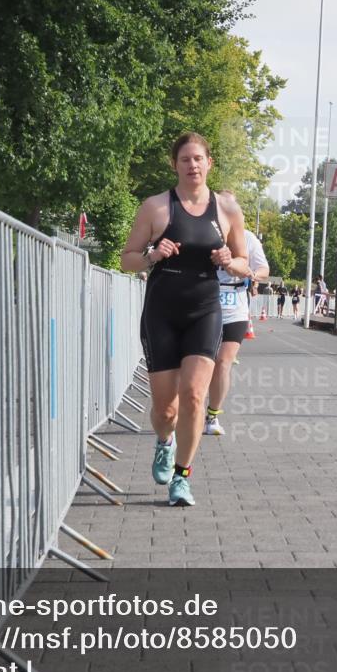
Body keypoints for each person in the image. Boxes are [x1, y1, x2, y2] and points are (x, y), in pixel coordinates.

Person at [120, 132, 250, 506]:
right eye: (185, 159)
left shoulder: (227, 209)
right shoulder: (156, 207)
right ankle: (164, 441)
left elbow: (245, 265)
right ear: (174, 165)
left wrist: (229, 261)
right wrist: (152, 254)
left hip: (206, 310)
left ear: (209, 163)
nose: (192, 165)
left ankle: (182, 477)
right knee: (165, 410)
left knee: (194, 396)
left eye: (198, 158)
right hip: (162, 310)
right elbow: (126, 259)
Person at [203, 192, 270, 436]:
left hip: (236, 305)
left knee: (223, 362)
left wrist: (254, 274)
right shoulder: (206, 232)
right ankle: (190, 409)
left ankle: (212, 416)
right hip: (206, 300)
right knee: (202, 362)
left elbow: (264, 267)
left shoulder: (249, 238)